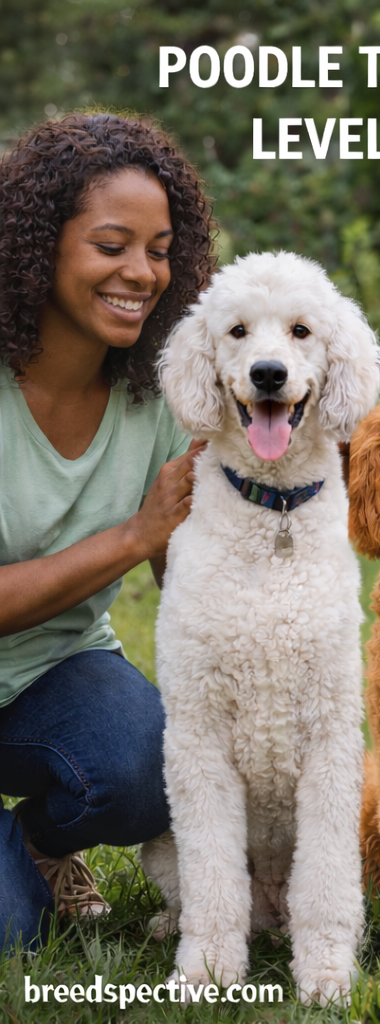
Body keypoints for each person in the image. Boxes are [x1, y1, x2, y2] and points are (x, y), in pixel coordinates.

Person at [0, 113, 214, 952]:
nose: (142, 273)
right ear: (39, 247)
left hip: (55, 675)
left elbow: (184, 583)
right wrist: (134, 535)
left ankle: (40, 846)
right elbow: (144, 539)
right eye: (112, 245)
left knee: (157, 759)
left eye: (160, 249)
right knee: (14, 941)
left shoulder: (155, 399)